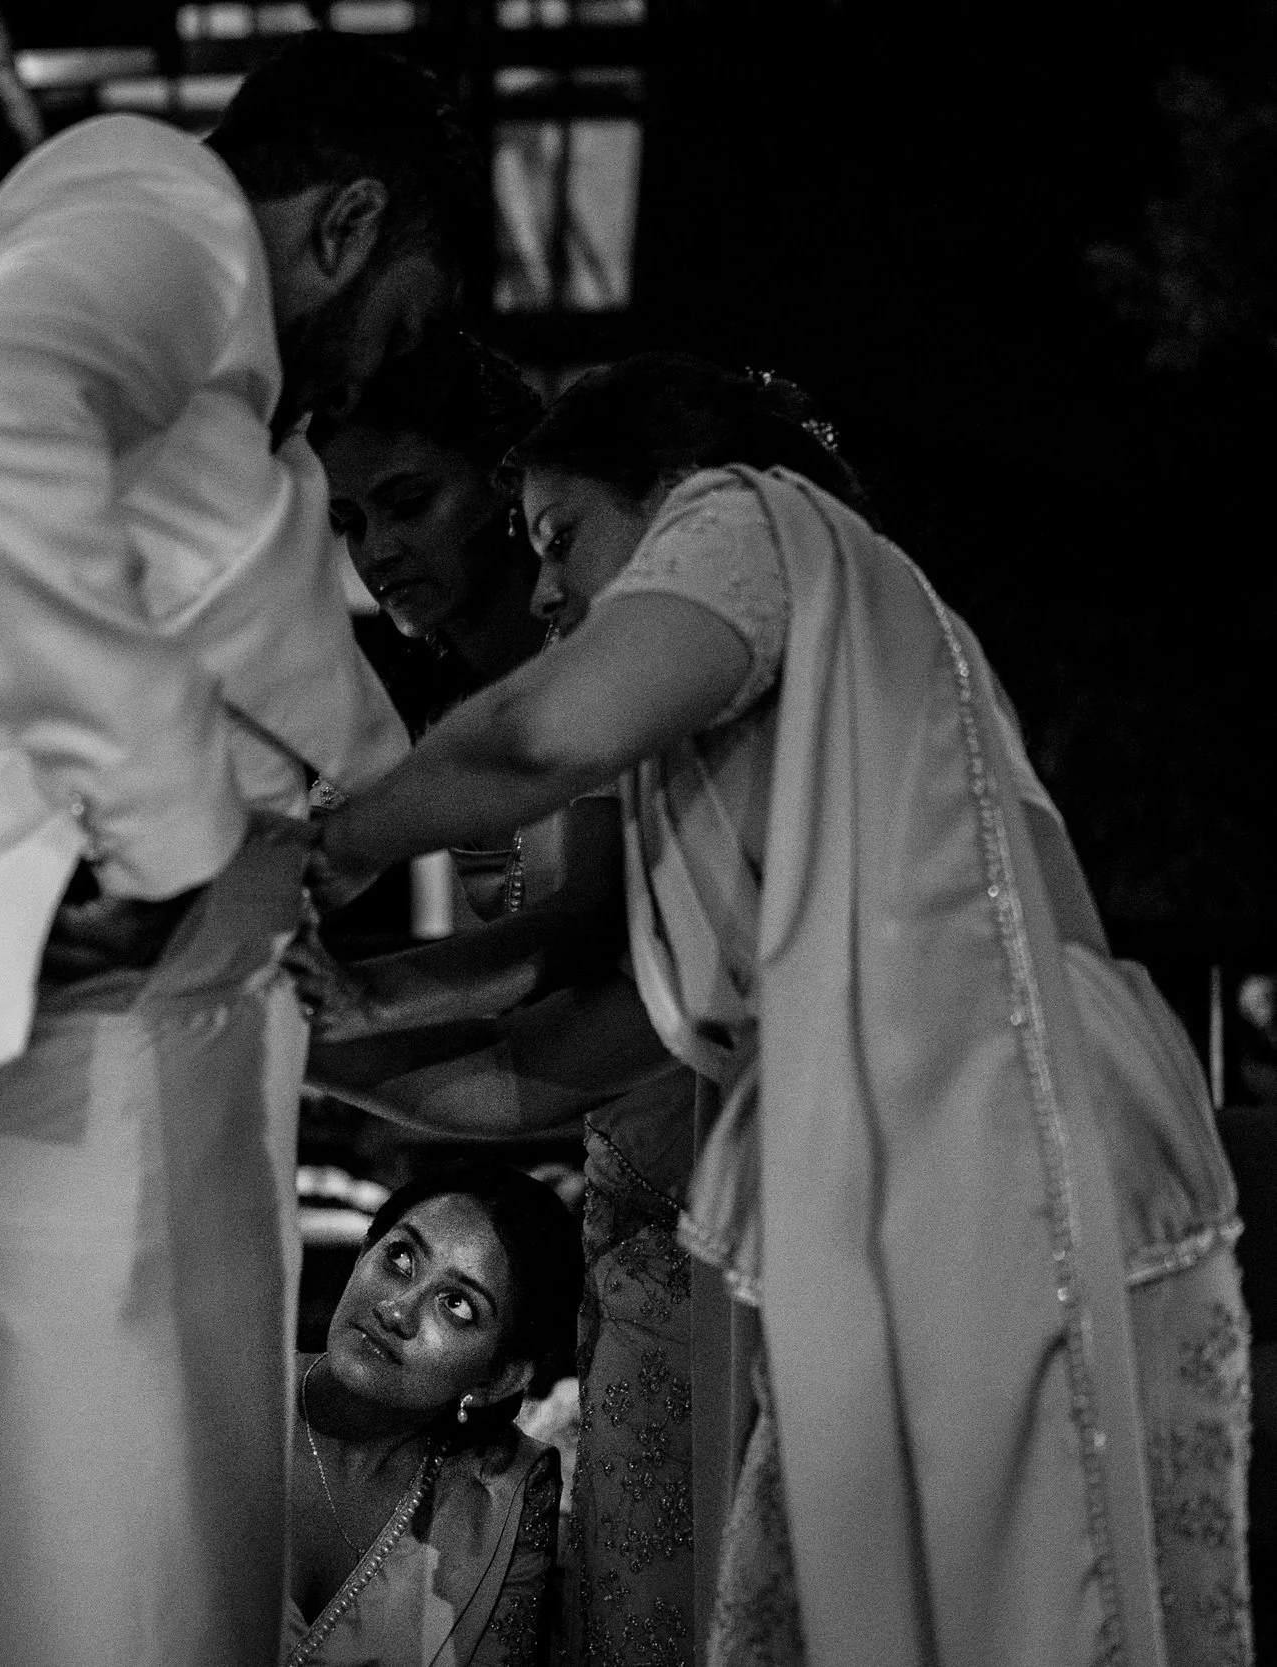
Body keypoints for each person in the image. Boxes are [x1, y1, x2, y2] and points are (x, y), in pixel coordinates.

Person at [316, 353, 1250, 1666]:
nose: (542, 588)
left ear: (670, 487)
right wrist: (310, 1038)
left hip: (984, 1116)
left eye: (560, 535)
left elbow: (538, 742)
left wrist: (326, 845)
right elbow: (570, 1048)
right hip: (870, 1163)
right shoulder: (718, 784)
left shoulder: (748, 516)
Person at [0, 32, 473, 1665]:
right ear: (346, 223)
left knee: (84, 1581)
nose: (378, 373)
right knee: (116, 1581)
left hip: (78, 1019)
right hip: (100, 1027)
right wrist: (164, 826)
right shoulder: (170, 213)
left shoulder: (198, 397)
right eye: (405, 317)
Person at [305, 336, 704, 1665]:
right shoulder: (453, 706)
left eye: (408, 501)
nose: (377, 550)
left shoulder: (585, 679)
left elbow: (574, 941)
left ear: (507, 482)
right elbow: (539, 1024)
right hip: (629, 1165)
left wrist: (339, 995)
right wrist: (299, 1035)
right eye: (349, 521)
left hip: (718, 1154)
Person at [288, 1161, 577, 1667]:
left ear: (496, 1379)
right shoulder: (225, 1398)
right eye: (400, 1257)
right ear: (363, 1253)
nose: (397, 1311)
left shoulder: (498, 1503)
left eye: (458, 1305)